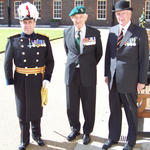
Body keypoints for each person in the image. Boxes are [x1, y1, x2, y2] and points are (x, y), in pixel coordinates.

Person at [4, 2, 54, 150]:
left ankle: (37, 135)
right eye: (24, 22)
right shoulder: (13, 41)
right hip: (21, 80)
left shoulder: (43, 39)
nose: (27, 25)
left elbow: (50, 61)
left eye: (30, 22)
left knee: (36, 109)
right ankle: (24, 139)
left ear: (34, 22)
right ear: (20, 23)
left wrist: (47, 78)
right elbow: (7, 62)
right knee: (22, 110)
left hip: (38, 79)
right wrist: (10, 80)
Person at [102, 1, 149, 150]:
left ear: (129, 14)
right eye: (118, 13)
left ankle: (130, 140)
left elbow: (144, 58)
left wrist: (142, 80)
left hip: (130, 79)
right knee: (114, 110)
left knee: (131, 110)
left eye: (123, 13)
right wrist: (106, 74)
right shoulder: (113, 30)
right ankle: (113, 138)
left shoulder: (139, 32)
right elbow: (108, 54)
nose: (120, 16)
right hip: (114, 79)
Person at [64, 6, 103, 145]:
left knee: (89, 104)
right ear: (71, 18)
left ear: (85, 17)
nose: (78, 20)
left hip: (88, 74)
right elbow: (68, 51)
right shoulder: (67, 32)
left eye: (80, 17)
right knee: (71, 105)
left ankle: (87, 131)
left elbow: (99, 53)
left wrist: (88, 65)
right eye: (75, 17)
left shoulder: (94, 33)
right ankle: (75, 129)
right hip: (71, 74)